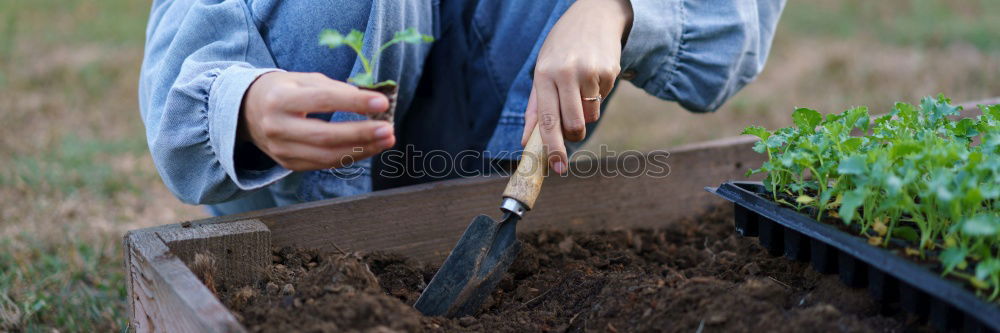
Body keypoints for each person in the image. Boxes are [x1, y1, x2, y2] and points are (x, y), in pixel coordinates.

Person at [139, 0, 785, 216]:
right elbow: (183, 58)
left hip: (486, 163)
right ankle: (330, 243)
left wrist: (615, 8)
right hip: (288, 196)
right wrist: (243, 104)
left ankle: (473, 216)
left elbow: (733, 32)